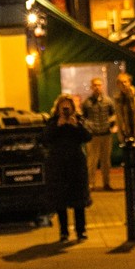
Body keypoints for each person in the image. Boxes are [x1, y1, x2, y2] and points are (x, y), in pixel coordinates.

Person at [43, 93, 92, 241]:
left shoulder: (78, 120)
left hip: (76, 164)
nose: (65, 110)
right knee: (60, 200)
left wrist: (76, 126)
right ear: (58, 108)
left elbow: (87, 137)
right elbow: (45, 138)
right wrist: (57, 126)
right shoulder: (53, 122)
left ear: (72, 108)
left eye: (68, 107)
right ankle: (63, 232)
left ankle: (81, 230)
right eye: (62, 107)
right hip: (58, 165)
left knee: (79, 200)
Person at [81, 75, 118, 191]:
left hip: (106, 135)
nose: (97, 87)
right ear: (92, 87)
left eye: (99, 85)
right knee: (92, 161)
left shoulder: (108, 101)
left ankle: (106, 183)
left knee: (106, 161)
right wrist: (88, 126)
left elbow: (114, 114)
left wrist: (112, 125)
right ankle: (91, 184)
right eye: (95, 85)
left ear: (102, 86)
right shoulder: (87, 102)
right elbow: (82, 117)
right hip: (93, 136)